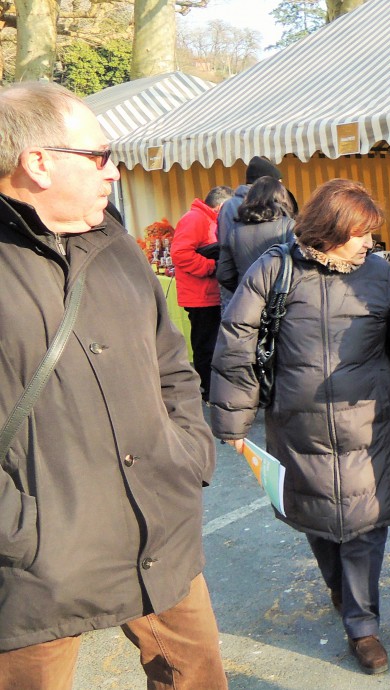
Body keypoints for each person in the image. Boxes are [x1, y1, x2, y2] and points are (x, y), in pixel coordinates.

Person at [0, 82, 227, 688]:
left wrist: (188, 452)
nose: (115, 171)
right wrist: (21, 530)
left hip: (158, 522)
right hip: (37, 555)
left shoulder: (117, 246)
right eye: (99, 156)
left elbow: (171, 364)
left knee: (197, 675)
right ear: (38, 162)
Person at [209, 179, 390, 675]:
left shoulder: (380, 276)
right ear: (331, 230)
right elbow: (236, 345)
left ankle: (363, 625)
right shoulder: (274, 269)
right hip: (298, 425)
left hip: (368, 423)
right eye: (361, 234)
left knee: (365, 526)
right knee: (319, 523)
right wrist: (231, 419)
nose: (370, 244)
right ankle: (345, 595)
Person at [172, 184, 234, 401]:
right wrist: (212, 267)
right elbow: (180, 254)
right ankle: (208, 390)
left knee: (213, 343)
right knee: (206, 345)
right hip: (200, 296)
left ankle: (213, 387)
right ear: (220, 206)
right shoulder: (195, 218)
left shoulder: (207, 219)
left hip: (209, 294)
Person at [216, 175, 295, 299]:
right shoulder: (288, 226)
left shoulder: (235, 230)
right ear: (281, 197)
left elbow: (224, 274)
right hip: (281, 302)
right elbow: (300, 270)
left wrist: (245, 288)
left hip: (247, 301)